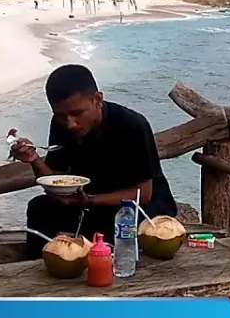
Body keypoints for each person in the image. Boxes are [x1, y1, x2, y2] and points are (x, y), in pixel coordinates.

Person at [12, 65, 177, 258]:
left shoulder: (132, 126)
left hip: (139, 206)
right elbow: (55, 182)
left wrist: (90, 200)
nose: (70, 124)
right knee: (38, 208)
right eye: (61, 115)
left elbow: (144, 193)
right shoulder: (60, 125)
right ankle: (40, 268)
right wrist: (34, 160)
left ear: (98, 99)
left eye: (77, 114)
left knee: (115, 221)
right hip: (91, 199)